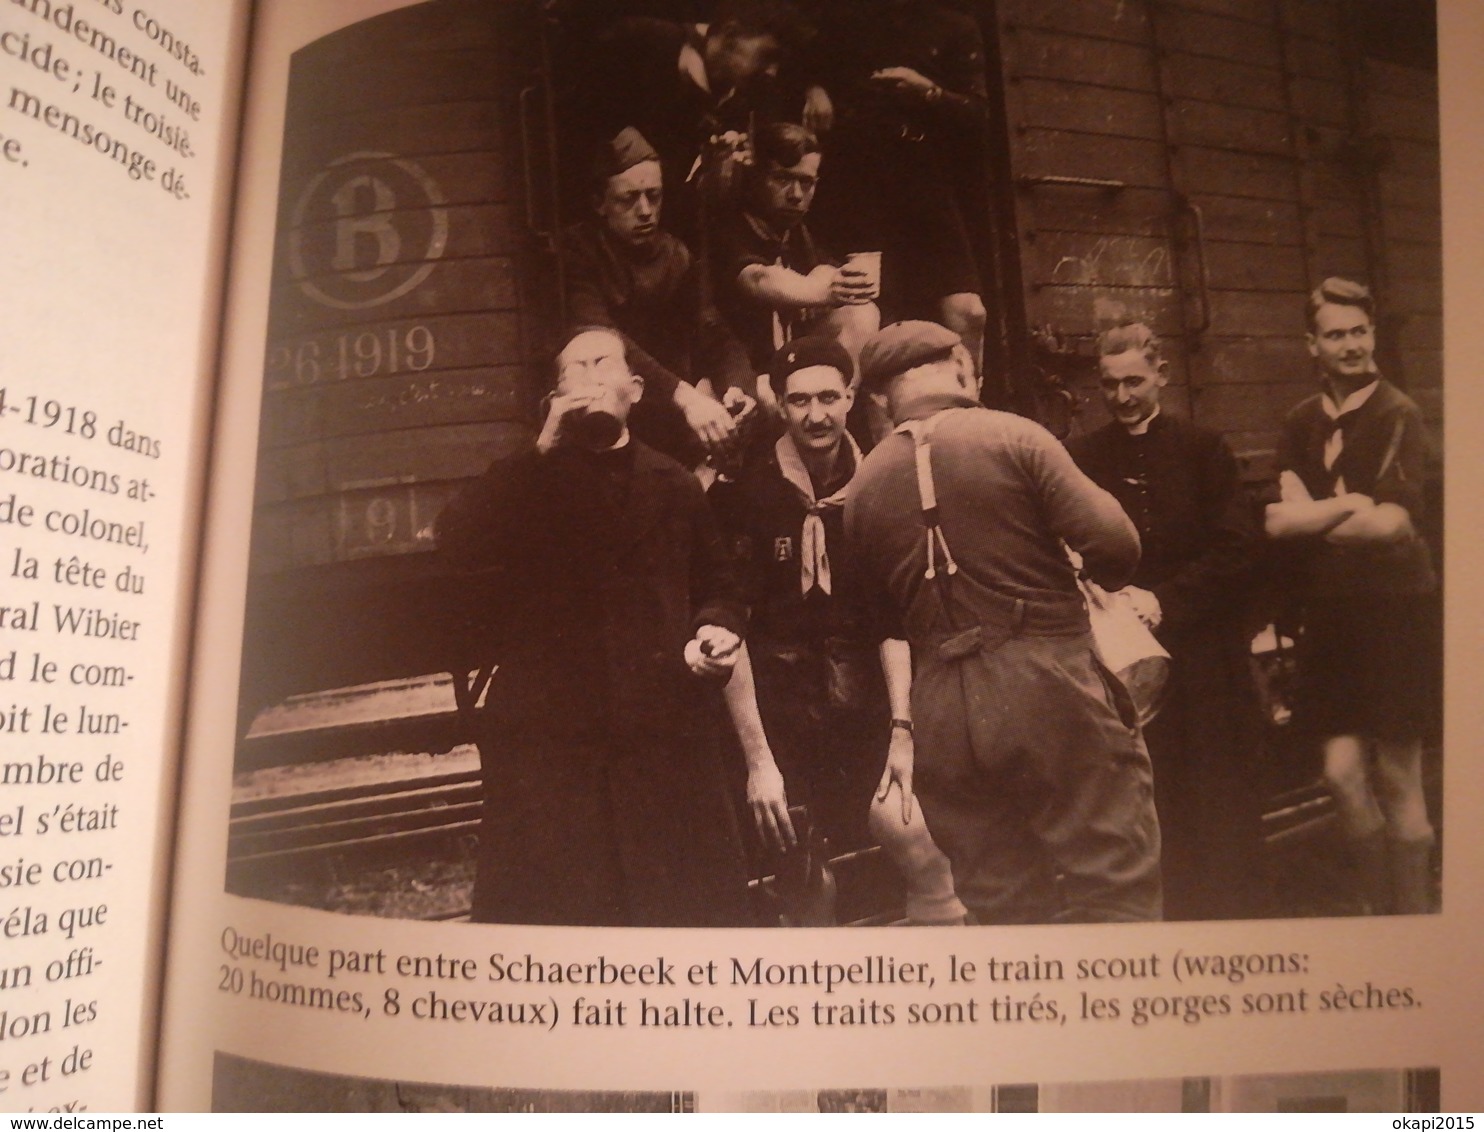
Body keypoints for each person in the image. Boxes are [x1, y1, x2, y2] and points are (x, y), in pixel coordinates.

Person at [843, 320, 1162, 924]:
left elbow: (876, 616)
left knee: (1005, 905)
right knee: (1112, 879)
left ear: (883, 396)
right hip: (1046, 680)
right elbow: (1118, 549)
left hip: (941, 702)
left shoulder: (861, 488)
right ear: (959, 363)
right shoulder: (1016, 438)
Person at [434, 327, 753, 927]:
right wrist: (541, 449)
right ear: (555, 395)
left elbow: (721, 587)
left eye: (603, 364)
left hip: (660, 733)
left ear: (634, 389)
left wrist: (715, 629)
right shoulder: (527, 479)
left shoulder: (674, 483)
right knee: (566, 912)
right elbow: (455, 538)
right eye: (574, 370)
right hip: (555, 747)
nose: (590, 378)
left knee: (676, 912)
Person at [711, 335, 966, 925]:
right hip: (779, 723)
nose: (816, 414)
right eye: (799, 400)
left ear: (852, 398)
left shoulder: (880, 483)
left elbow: (892, 621)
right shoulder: (746, 495)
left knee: (925, 852)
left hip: (866, 712)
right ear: (778, 403)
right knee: (804, 885)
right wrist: (758, 763)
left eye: (829, 396)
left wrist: (903, 733)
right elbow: (732, 627)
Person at [1067, 322, 1265, 920]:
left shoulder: (1204, 450)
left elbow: (1238, 549)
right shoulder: (1082, 457)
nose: (1122, 396)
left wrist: (1166, 600)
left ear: (1161, 376)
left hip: (1205, 655)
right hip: (1127, 661)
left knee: (1220, 801)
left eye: (1134, 381)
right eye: (1109, 384)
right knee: (1154, 802)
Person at [1264, 278, 1439, 915]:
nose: (1352, 345)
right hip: (1332, 615)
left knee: (1397, 779)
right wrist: (1350, 506)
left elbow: (1393, 524)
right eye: (1336, 334)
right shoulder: (1300, 423)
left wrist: (1316, 515)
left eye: (1359, 332)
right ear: (1313, 344)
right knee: (1340, 776)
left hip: (1395, 613)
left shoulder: (1398, 412)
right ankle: (1378, 911)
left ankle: (1412, 924)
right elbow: (1278, 523)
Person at [797, 0, 990, 365]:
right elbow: (795, 48)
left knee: (968, 312)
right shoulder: (844, 17)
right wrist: (813, 88)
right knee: (869, 317)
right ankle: (876, 421)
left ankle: (967, 410)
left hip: (923, 178)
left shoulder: (955, 26)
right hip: (856, 182)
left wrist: (928, 92)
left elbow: (978, 117)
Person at [561, 127, 752, 467]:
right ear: (599, 203)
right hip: (614, 405)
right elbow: (602, 335)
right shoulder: (577, 251)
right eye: (628, 199)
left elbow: (714, 330)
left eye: (654, 195)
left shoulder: (675, 255)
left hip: (673, 406)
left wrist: (735, 387)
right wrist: (687, 397)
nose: (645, 210)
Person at [571, 1, 812, 243]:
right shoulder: (639, 40)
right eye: (766, 56)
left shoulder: (740, 100)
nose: (771, 72)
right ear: (730, 35)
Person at [711, 121, 879, 388]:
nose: (796, 195)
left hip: (786, 367)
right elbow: (758, 279)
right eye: (782, 179)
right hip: (739, 375)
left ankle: (838, 403)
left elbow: (824, 270)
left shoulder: (796, 232)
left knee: (862, 313)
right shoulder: (730, 227)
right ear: (755, 177)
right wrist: (824, 289)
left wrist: (833, 278)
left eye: (806, 182)